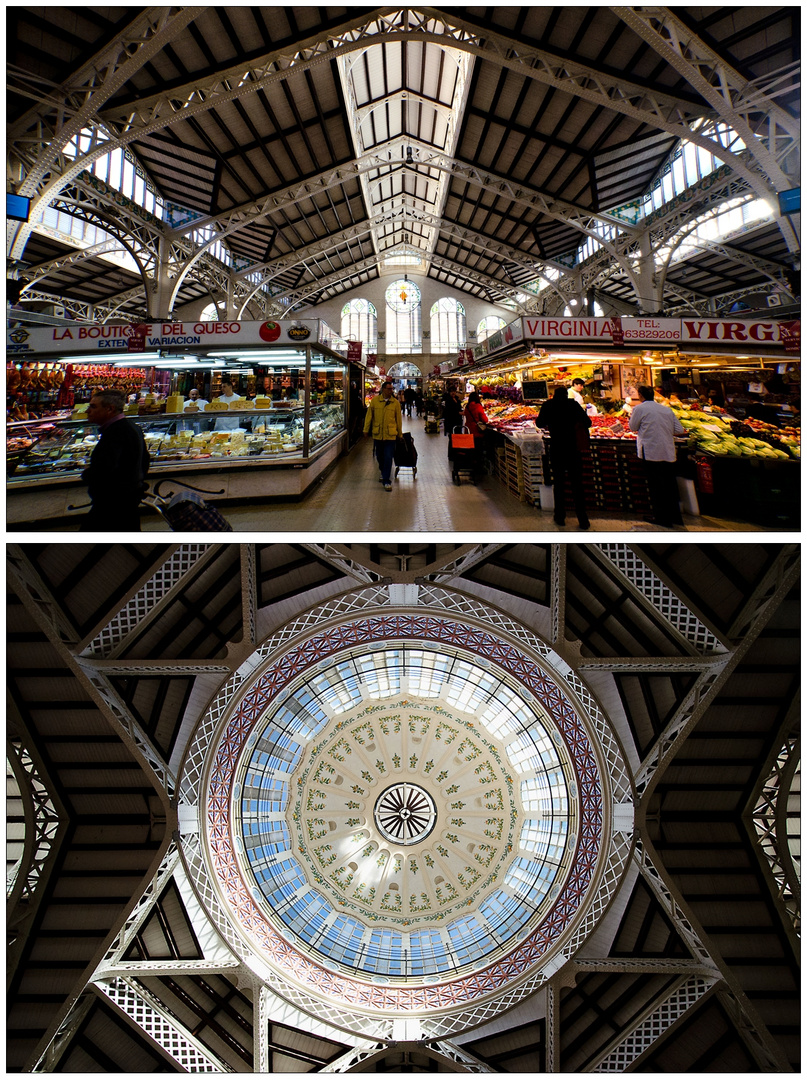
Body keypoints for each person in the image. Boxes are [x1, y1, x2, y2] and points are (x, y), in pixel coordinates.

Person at [80, 389, 150, 531]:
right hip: (127, 505)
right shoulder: (132, 428)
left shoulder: (116, 432)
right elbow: (145, 461)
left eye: (93, 406)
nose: (88, 411)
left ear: (110, 409)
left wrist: (87, 475)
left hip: (111, 509)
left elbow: (105, 469)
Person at [628, 385, 686, 527]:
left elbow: (633, 427)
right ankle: (676, 518)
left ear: (641, 395)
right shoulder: (666, 409)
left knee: (656, 487)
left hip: (651, 452)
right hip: (668, 452)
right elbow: (679, 430)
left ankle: (661, 518)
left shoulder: (639, 409)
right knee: (670, 486)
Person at [537, 387, 591, 529]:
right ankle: (583, 519)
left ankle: (560, 516)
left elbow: (539, 423)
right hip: (573, 449)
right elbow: (588, 422)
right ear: (566, 395)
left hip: (557, 448)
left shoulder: (548, 405)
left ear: (554, 395)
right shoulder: (573, 405)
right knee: (577, 484)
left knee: (559, 483)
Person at [363, 380, 402, 490]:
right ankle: (383, 471)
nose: (391, 391)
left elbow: (398, 420)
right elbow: (369, 416)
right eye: (389, 389)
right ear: (383, 389)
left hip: (390, 435)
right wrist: (366, 429)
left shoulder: (395, 403)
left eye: (391, 389)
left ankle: (386, 480)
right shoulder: (375, 401)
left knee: (389, 457)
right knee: (379, 456)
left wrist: (400, 434)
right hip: (378, 434)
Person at [464, 391, 490, 470]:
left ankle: (470, 464)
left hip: (468, 431)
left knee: (471, 449)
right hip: (476, 431)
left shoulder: (467, 407)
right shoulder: (478, 406)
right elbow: (485, 420)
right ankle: (478, 467)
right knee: (478, 449)